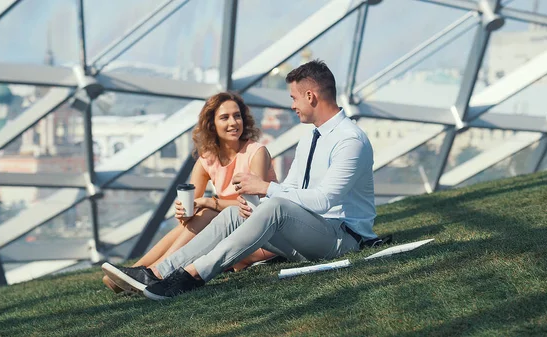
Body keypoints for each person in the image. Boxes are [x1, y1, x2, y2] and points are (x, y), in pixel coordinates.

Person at [103, 60, 379, 300]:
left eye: (294, 98)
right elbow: (293, 188)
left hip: (342, 238)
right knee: (236, 213)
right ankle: (158, 273)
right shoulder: (310, 137)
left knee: (274, 206)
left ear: (311, 96)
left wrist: (265, 189)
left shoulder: (349, 140)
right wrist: (258, 203)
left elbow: (324, 200)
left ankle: (192, 275)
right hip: (307, 235)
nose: (292, 105)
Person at [102, 91, 277, 293]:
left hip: (261, 236)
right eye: (224, 117)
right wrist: (184, 212)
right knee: (200, 216)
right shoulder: (207, 160)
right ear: (211, 124)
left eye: (237, 116)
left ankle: (152, 273)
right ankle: (136, 272)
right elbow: (191, 214)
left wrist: (212, 203)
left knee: (208, 212)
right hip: (225, 232)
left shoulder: (256, 152)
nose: (233, 122)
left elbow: (254, 207)